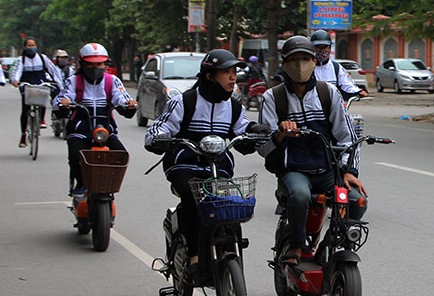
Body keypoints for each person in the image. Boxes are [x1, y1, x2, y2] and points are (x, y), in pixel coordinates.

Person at [144, 49, 270, 271]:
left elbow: (242, 129)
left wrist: (255, 130)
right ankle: (193, 253)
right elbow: (160, 126)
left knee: (227, 204)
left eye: (234, 72)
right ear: (210, 76)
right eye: (227, 72)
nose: (233, 77)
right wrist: (158, 138)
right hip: (184, 164)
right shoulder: (184, 102)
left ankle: (229, 246)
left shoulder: (233, 106)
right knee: (193, 198)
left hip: (218, 167)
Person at [256, 35, 368, 266]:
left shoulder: (328, 93)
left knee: (357, 200)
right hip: (293, 170)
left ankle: (329, 244)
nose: (300, 65)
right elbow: (262, 147)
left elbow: (348, 138)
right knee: (299, 195)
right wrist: (279, 134)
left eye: (305, 58)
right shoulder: (272, 97)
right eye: (293, 59)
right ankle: (297, 245)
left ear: (314, 61)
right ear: (284, 64)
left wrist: (349, 172)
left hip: (327, 169)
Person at [54, 42, 137, 196]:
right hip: (80, 129)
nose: (95, 68)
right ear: (82, 64)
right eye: (91, 65)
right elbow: (62, 98)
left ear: (105, 63)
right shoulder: (73, 81)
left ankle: (109, 183)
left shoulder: (112, 81)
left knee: (120, 154)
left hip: (105, 130)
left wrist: (129, 105)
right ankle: (81, 183)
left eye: (99, 64)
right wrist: (63, 103)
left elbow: (122, 98)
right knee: (74, 154)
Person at [11, 37, 64, 147]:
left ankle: (42, 120)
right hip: (27, 85)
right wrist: (15, 81)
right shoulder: (21, 60)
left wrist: (59, 85)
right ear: (25, 47)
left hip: (40, 83)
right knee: (25, 109)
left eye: (33, 45)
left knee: (44, 95)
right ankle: (23, 135)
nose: (31, 48)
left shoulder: (42, 58)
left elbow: (53, 71)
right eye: (29, 46)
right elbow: (17, 72)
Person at [310, 29, 369, 101]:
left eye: (324, 47)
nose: (321, 50)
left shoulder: (336, 67)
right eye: (318, 47)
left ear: (329, 48)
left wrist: (358, 92)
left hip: (333, 106)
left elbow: (347, 84)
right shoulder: (307, 67)